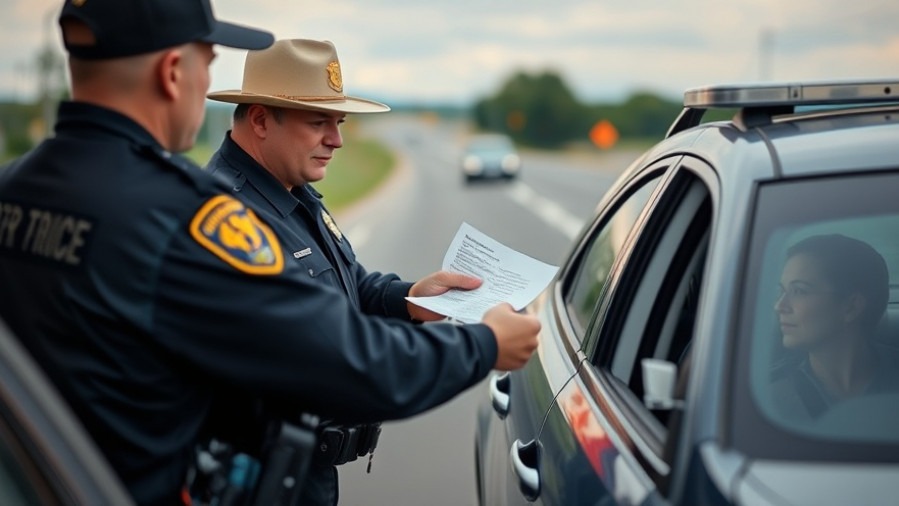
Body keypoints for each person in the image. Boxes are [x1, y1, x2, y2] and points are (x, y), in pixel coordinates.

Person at [0, 2, 541, 505]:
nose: (336, 139)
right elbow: (351, 366)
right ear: (172, 72)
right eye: (206, 63)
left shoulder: (15, 190)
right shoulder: (187, 220)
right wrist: (486, 344)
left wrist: (408, 300)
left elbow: (339, 284)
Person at [770, 234, 899, 419]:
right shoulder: (768, 399)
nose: (779, 306)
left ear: (851, 307)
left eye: (799, 291)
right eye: (782, 291)